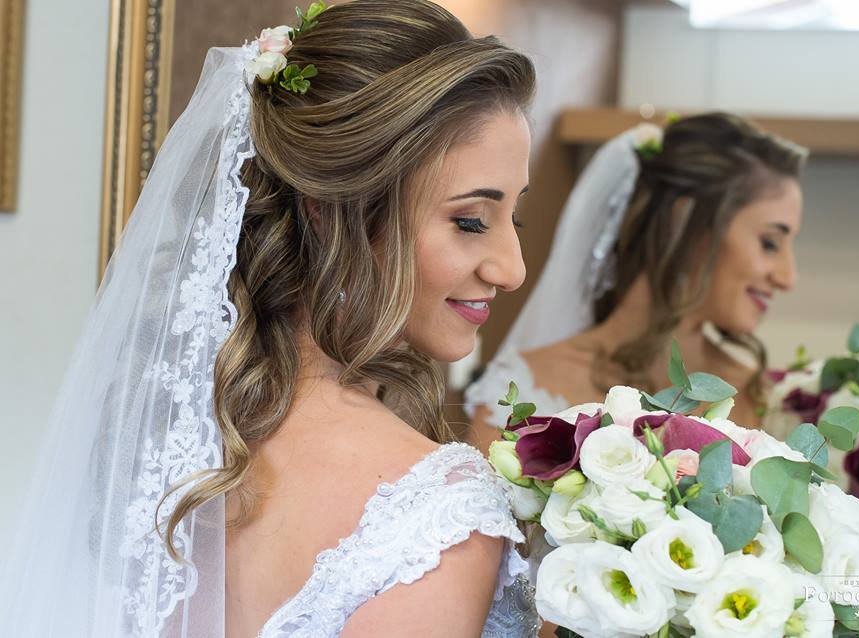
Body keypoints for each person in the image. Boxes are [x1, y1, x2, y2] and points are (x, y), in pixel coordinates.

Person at [0, 1, 540, 636]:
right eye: (471, 221)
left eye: (514, 217)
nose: (512, 269)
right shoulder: (442, 515)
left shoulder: (162, 442)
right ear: (329, 211)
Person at [467, 113, 807, 453]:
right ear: (682, 222)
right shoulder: (524, 387)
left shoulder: (763, 399)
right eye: (770, 243)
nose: (787, 278)